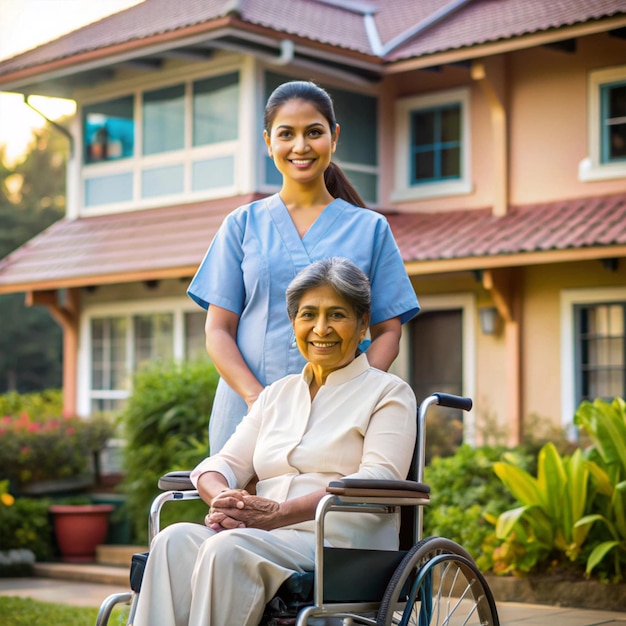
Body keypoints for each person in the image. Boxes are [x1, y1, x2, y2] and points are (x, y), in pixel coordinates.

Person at [134, 258, 417, 626]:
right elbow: (223, 463)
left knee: (227, 547)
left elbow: (380, 476)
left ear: (363, 323)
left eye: (337, 315)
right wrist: (222, 497)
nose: (321, 328)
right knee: (174, 541)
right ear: (294, 323)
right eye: (308, 315)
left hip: (341, 545)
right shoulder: (276, 395)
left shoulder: (388, 393)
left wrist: (279, 515)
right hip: (266, 538)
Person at [187, 80, 420, 453]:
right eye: (286, 134)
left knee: (321, 510)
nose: (300, 146)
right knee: (241, 509)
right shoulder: (242, 225)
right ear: (268, 142)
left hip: (339, 421)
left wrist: (349, 399)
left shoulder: (370, 229)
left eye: (314, 132)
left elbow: (388, 332)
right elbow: (218, 330)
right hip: (246, 414)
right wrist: (258, 402)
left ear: (334, 136)